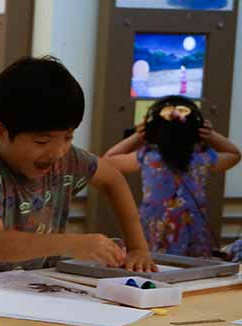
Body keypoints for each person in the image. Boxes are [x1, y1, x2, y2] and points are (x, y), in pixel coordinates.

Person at [0, 56, 156, 284]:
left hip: (30, 288)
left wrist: (138, 248)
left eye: (68, 137)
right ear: (0, 129)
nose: (57, 152)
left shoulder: (68, 159)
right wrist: (73, 243)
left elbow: (112, 179)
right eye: (41, 141)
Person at [103, 96, 241, 257]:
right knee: (193, 276)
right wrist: (211, 135)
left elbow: (109, 159)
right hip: (194, 230)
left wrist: (139, 136)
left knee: (154, 269)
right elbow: (234, 154)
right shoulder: (201, 159)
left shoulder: (149, 158)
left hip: (154, 229)